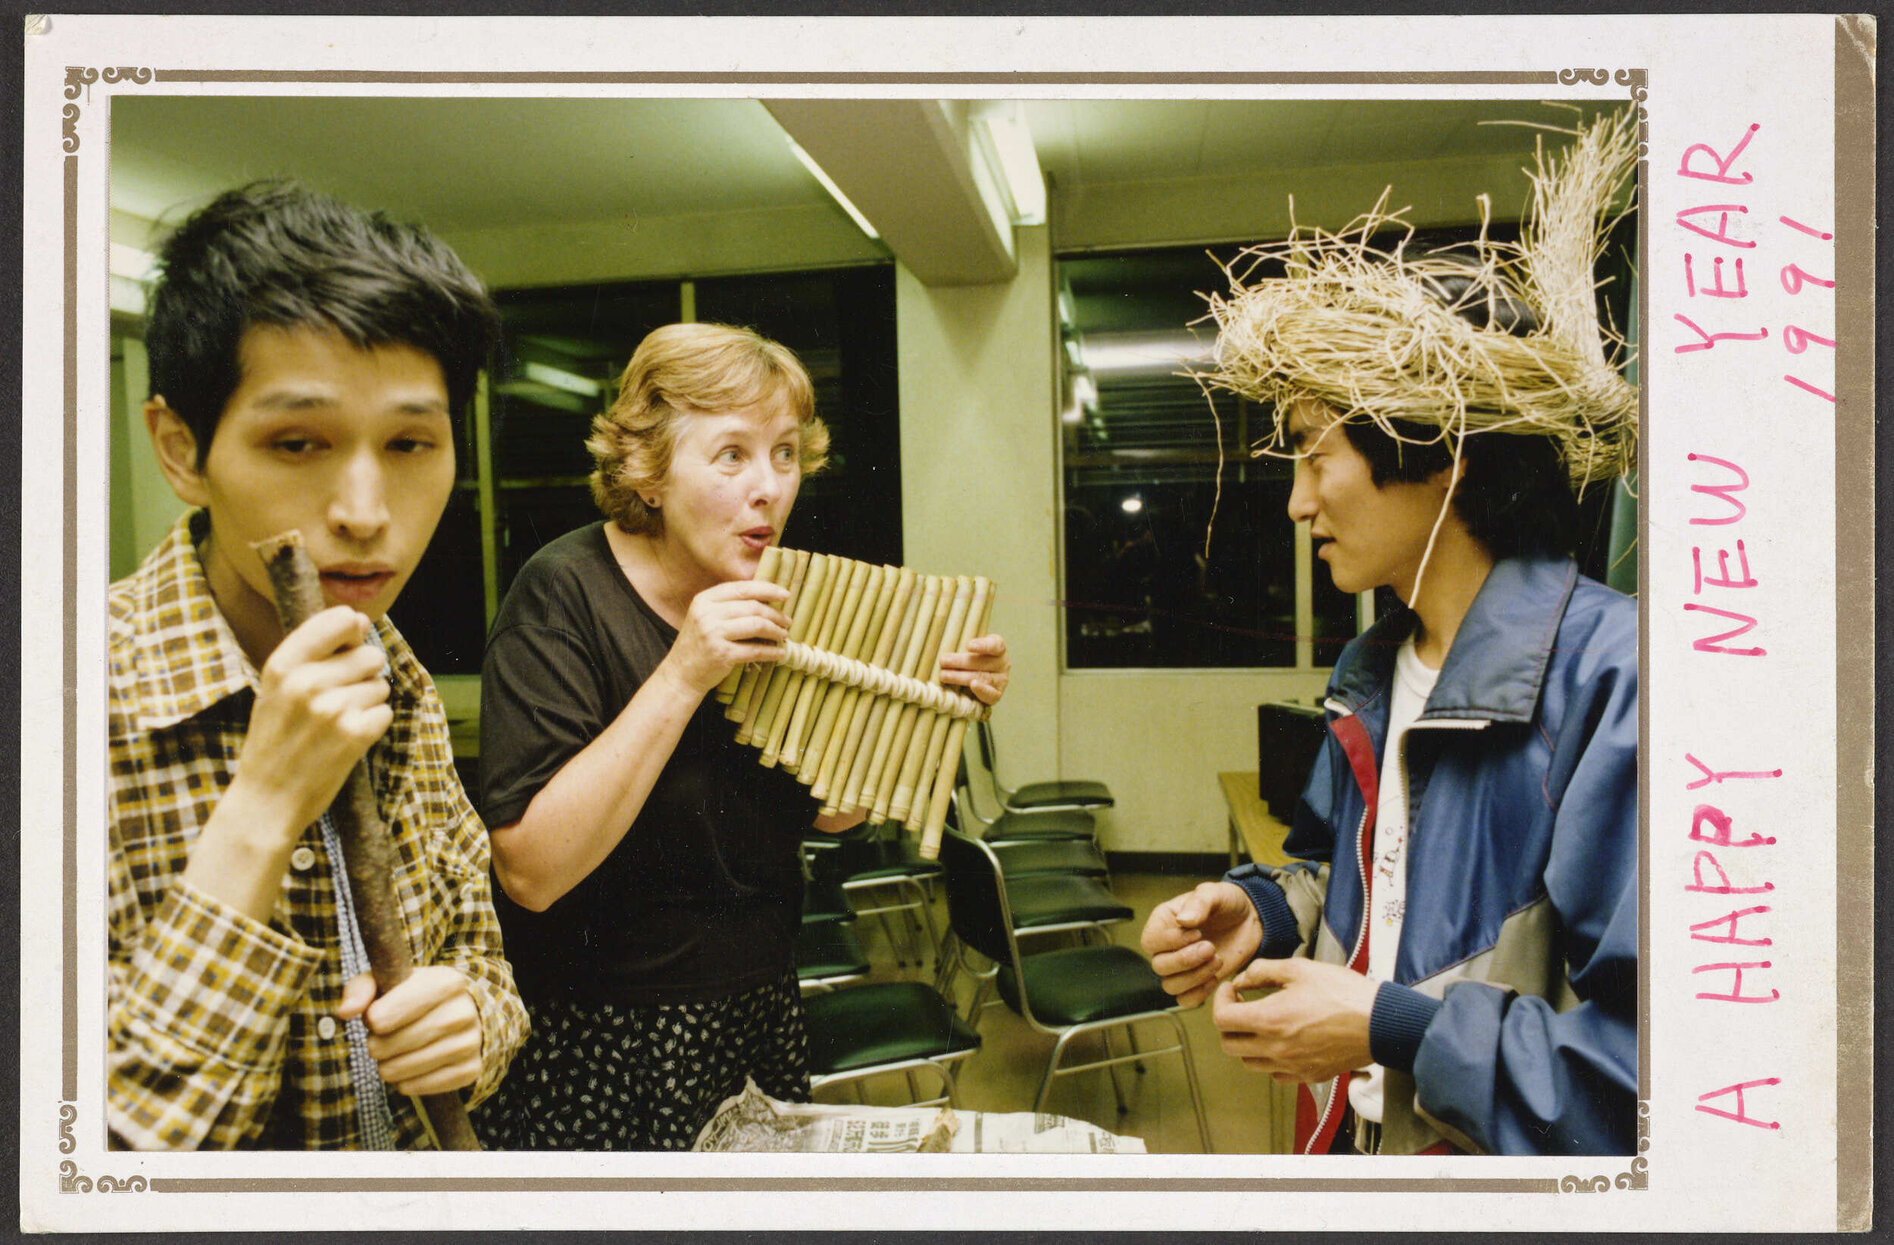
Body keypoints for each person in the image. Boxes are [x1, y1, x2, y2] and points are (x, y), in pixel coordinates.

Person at [1141, 111, 1639, 1156]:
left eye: (1311, 452)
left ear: (1436, 446)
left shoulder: (1615, 681)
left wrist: (1385, 1025)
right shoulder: (1372, 665)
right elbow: (1356, 872)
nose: (1295, 502)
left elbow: (1649, 1076)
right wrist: (1262, 914)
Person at [473, 321, 1010, 1150]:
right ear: (647, 472)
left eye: (786, 453)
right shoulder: (562, 594)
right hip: (605, 1032)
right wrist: (685, 672)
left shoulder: (775, 597)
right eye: (732, 455)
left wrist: (923, 707)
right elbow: (531, 870)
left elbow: (829, 817)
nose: (770, 487)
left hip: (759, 1006)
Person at [107, 181, 529, 1149]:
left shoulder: (396, 672)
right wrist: (261, 806)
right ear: (181, 450)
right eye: (298, 442)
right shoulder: (74, 707)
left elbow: (484, 966)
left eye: (412, 442)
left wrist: (469, 1023)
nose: (366, 508)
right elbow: (100, 1164)